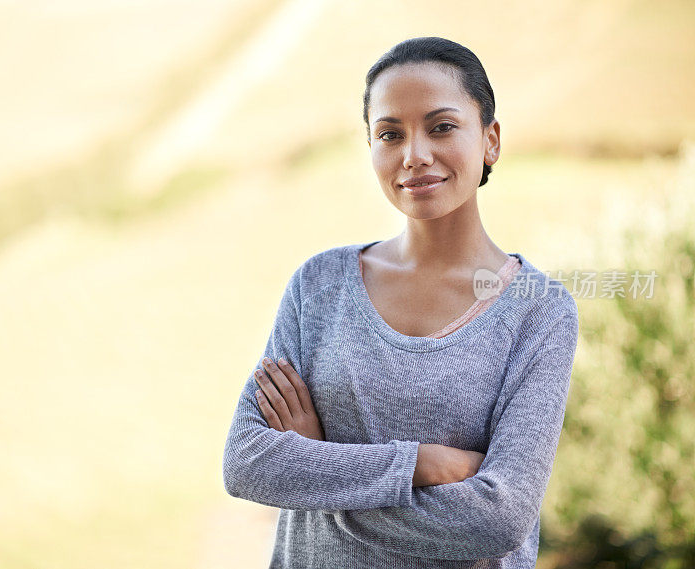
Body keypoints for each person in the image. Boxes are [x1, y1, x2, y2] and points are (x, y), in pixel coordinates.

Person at [222, 36, 579, 568]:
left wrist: (319, 468)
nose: (414, 155)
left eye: (441, 127)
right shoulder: (319, 285)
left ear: (491, 140)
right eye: (390, 134)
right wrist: (418, 464)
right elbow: (246, 462)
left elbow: (497, 521)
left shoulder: (539, 310)